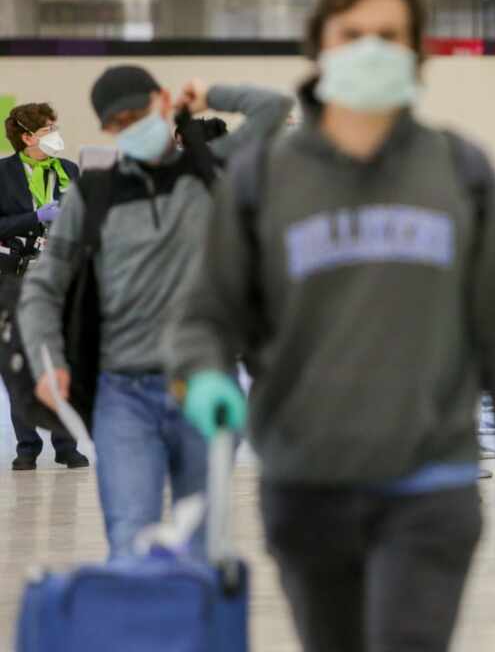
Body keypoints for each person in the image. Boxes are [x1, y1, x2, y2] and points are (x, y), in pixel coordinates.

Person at [166, 0, 495, 652]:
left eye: (388, 35)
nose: (369, 49)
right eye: (351, 34)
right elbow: (207, 313)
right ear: (318, 47)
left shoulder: (460, 172)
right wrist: (201, 372)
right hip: (304, 481)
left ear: (417, 51)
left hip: (431, 483)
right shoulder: (263, 175)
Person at [19, 69, 292, 557]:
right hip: (123, 396)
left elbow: (274, 109)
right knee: (130, 539)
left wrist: (210, 94)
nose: (132, 125)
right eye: (119, 121)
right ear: (108, 129)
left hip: (204, 385)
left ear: (162, 104)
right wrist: (48, 360)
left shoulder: (209, 171)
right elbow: (43, 286)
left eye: (140, 113)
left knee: (204, 543)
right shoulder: (92, 194)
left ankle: (197, 631)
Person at [0, 103, 87, 471]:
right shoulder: (2, 173)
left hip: (60, 275)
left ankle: (66, 444)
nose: (55, 132)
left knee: (62, 357)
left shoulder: (68, 171)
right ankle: (27, 446)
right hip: (14, 274)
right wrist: (33, 217)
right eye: (48, 127)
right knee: (20, 359)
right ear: (26, 136)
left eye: (55, 125)